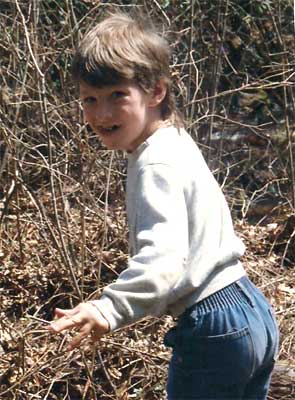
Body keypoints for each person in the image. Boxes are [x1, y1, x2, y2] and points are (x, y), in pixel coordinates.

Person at [48, 11, 279, 400]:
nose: (101, 113)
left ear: (156, 92)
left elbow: (164, 259)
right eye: (90, 99)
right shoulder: (173, 141)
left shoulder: (155, 161)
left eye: (117, 95)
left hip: (213, 324)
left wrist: (109, 309)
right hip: (250, 309)